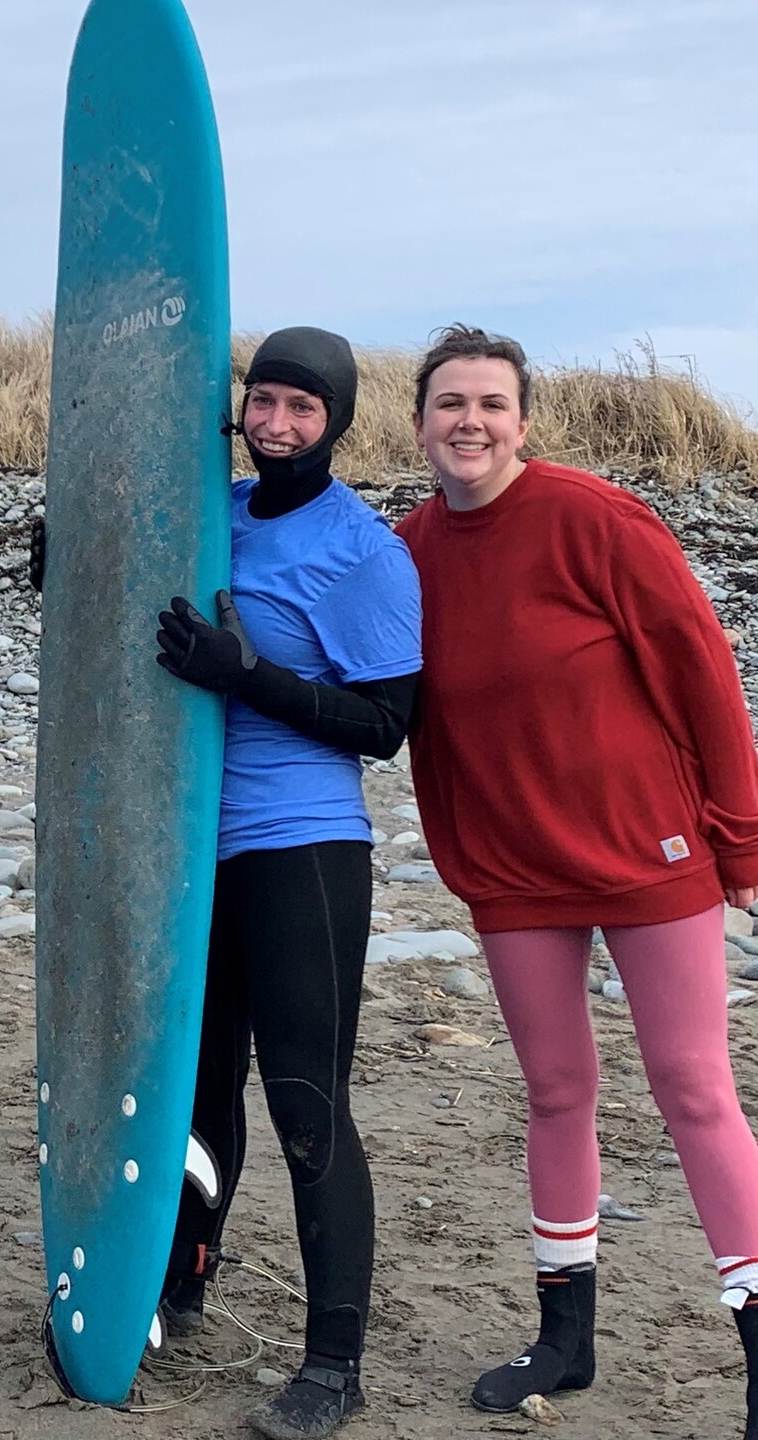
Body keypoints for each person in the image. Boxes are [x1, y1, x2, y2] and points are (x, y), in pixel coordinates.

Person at [396, 324, 758, 1434]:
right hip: (513, 872)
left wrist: (740, 841)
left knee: (695, 1089)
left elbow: (702, 670)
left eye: (491, 404)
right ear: (417, 423)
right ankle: (564, 1340)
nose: (470, 422)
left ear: (523, 420)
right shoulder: (407, 546)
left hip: (648, 858)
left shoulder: (598, 519)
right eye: (450, 403)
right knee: (556, 1092)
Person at [146, 329, 423, 1440]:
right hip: (186, 848)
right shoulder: (209, 505)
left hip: (299, 849)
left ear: (337, 421)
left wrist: (248, 676)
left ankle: (332, 1363)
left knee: (307, 1105)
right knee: (196, 1092)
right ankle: (177, 1285)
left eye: (304, 410)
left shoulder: (363, 552)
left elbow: (387, 726)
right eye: (265, 402)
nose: (278, 426)